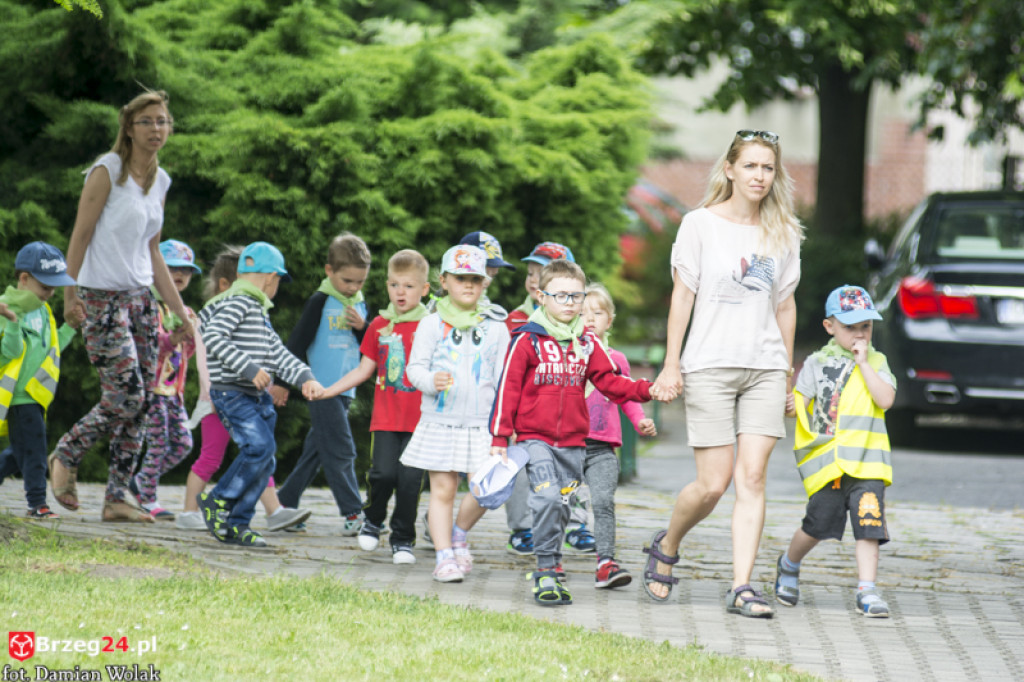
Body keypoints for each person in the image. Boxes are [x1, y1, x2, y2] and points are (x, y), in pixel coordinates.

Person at [645, 129, 802, 617]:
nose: (760, 176)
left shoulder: (784, 231)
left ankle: (742, 586)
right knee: (713, 484)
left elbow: (785, 304)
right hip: (710, 363)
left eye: (768, 167)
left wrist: (787, 373)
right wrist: (671, 364)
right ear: (730, 169)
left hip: (765, 367)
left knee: (751, 477)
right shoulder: (699, 225)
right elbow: (683, 297)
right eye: (750, 166)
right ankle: (667, 544)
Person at [50, 89, 194, 523]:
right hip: (100, 299)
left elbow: (152, 250)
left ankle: (116, 498)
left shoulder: (160, 180)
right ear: (129, 128)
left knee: (144, 400)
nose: (156, 128)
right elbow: (80, 235)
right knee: (126, 395)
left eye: (163, 121)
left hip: (141, 302)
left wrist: (178, 311)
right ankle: (66, 452)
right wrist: (69, 294)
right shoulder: (107, 170)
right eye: (147, 121)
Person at [489, 259, 665, 606]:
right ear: (542, 297)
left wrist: (647, 389)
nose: (570, 303)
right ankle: (546, 571)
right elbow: (508, 388)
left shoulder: (587, 343)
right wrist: (499, 436)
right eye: (561, 295)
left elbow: (610, 381)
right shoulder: (527, 340)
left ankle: (554, 565)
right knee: (546, 498)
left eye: (576, 296)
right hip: (535, 440)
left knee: (562, 506)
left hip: (573, 445)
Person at [775, 285, 896, 618]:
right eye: (850, 327)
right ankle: (789, 564)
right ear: (830, 327)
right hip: (830, 466)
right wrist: (791, 404)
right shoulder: (817, 364)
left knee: (869, 525)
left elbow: (885, 399)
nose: (859, 334)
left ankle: (867, 589)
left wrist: (864, 364)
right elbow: (798, 405)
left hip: (868, 464)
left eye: (866, 326)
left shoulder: (878, 362)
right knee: (817, 524)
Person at [196, 242, 324, 548]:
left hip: (256, 397)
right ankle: (218, 500)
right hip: (233, 393)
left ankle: (238, 523)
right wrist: (249, 368)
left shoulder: (257, 310)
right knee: (259, 447)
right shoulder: (239, 302)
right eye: (278, 281)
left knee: (264, 459)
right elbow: (213, 336)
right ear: (270, 278)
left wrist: (305, 377)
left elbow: (277, 354)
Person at [401, 244, 510, 583]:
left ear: (484, 283)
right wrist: (430, 381)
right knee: (443, 490)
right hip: (441, 423)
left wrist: (506, 424)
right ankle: (444, 556)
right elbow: (414, 369)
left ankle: (459, 533)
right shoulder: (431, 324)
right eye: (461, 278)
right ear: (444, 281)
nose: (468, 285)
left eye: (475, 279)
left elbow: (506, 379)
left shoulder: (497, 327)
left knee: (487, 489)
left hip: (482, 426)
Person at [321, 249, 431, 564]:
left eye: (409, 286)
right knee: (382, 474)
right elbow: (363, 370)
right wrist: (330, 391)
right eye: (394, 285)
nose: (400, 292)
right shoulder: (379, 325)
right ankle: (372, 520)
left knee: (410, 482)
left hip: (422, 422)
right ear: (386, 286)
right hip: (386, 419)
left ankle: (402, 539)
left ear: (424, 289)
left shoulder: (433, 326)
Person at [272, 233, 370, 535]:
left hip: (346, 389)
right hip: (321, 388)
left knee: (316, 451)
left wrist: (362, 328)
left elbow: (369, 346)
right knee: (341, 448)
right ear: (329, 271)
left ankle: (285, 503)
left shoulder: (359, 303)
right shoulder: (320, 301)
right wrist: (282, 382)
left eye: (360, 282)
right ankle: (354, 513)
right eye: (347, 281)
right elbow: (297, 341)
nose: (353, 287)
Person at [503, 241, 593, 558]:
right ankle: (523, 528)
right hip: (527, 414)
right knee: (521, 468)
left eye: (541, 272)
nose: (533, 278)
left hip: (567, 411)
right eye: (530, 272)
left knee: (571, 470)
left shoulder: (579, 322)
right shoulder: (516, 320)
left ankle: (575, 524)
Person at [579, 283, 658, 589]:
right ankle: (549, 559)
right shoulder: (568, 355)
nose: (589, 319)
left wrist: (640, 421)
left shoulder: (616, 360)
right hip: (568, 447)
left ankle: (605, 563)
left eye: (597, 313)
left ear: (609, 320)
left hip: (602, 448)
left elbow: (627, 396)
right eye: (583, 313)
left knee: (603, 502)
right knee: (561, 502)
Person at [0, 242, 82, 519]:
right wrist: (12, 321)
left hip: (36, 396)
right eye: (46, 287)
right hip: (18, 396)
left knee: (19, 453)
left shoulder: (42, 310)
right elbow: (9, 354)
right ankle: (37, 504)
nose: (51, 294)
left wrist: (70, 327)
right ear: (24, 279)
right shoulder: (5, 308)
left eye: (54, 287)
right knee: (35, 451)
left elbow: (52, 350)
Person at [130, 239, 200, 520]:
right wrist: (174, 337)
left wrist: (191, 336)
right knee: (158, 443)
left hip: (173, 391)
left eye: (186, 270)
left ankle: (141, 480)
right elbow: (149, 347)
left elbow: (186, 354)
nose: (180, 274)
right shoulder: (149, 306)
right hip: (152, 389)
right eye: (172, 268)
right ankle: (147, 496)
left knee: (183, 443)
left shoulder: (182, 310)